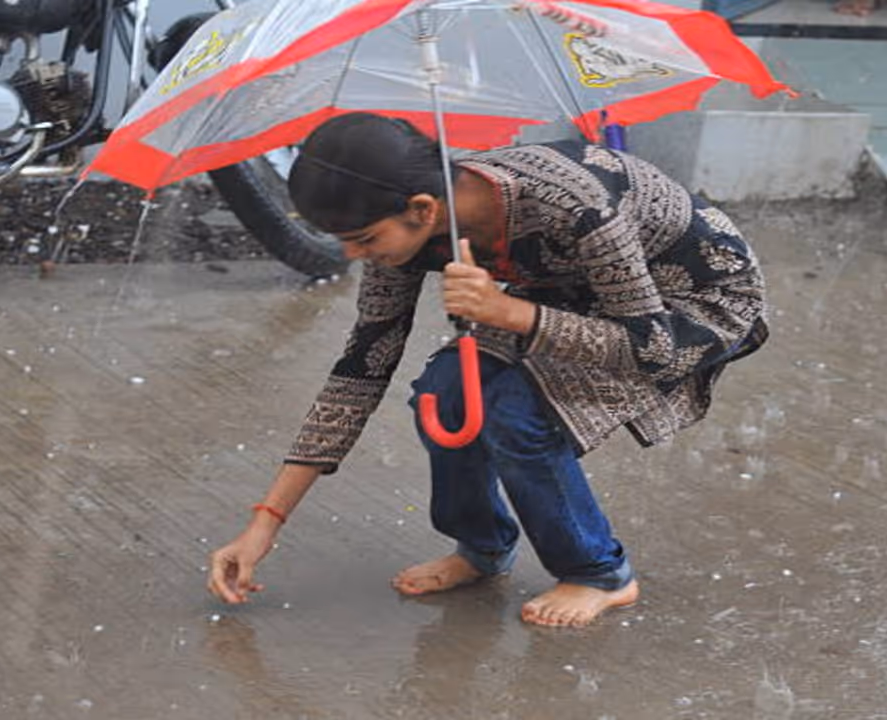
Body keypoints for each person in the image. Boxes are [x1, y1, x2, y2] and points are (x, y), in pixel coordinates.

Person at [206, 112, 768, 628]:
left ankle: (599, 573)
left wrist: (510, 313)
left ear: (422, 209)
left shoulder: (577, 206)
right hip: (569, 292)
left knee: (518, 414)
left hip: (688, 307)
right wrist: (265, 523)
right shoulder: (407, 229)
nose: (354, 256)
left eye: (363, 240)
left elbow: (654, 349)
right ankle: (482, 548)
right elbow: (361, 367)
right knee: (444, 396)